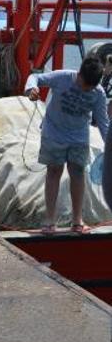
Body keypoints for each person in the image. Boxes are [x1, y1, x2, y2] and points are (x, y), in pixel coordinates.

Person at [24, 57, 109, 234]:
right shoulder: (63, 77)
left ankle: (77, 220)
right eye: (84, 84)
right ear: (79, 74)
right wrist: (32, 89)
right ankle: (49, 221)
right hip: (54, 133)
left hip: (79, 136)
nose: (85, 89)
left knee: (78, 172)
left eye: (90, 88)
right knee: (54, 171)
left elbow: (103, 123)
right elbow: (36, 77)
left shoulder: (98, 93)